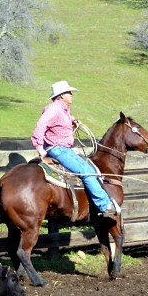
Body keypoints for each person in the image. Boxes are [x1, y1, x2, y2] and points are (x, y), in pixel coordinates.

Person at [31, 80, 118, 216]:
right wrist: (39, 147)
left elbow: (62, 118)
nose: (71, 95)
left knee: (90, 170)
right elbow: (41, 125)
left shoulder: (62, 109)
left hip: (64, 149)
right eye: (69, 93)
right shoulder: (54, 109)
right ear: (61, 95)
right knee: (86, 172)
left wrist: (73, 120)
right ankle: (104, 205)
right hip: (57, 149)